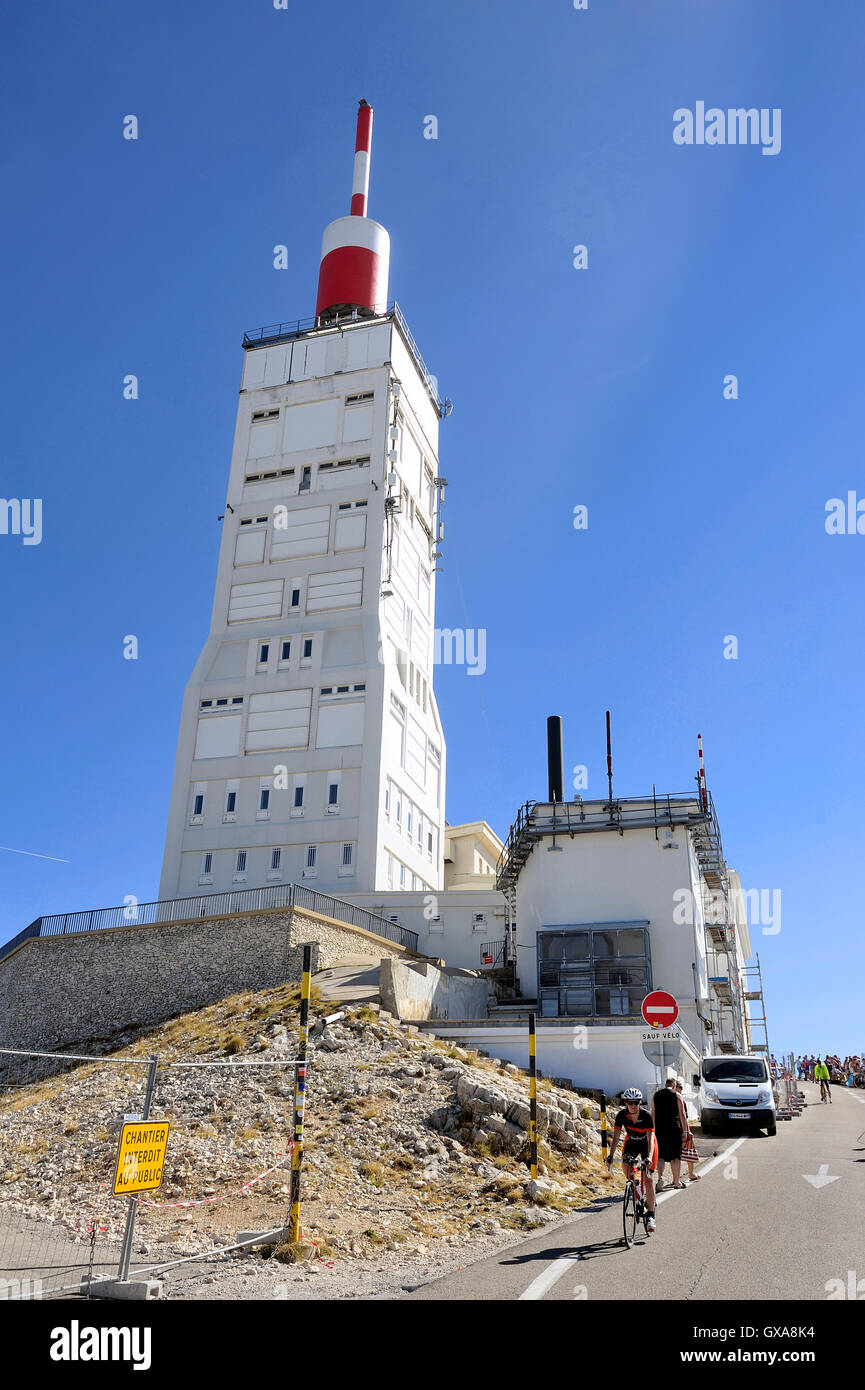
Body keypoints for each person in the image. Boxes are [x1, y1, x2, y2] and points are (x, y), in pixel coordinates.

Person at [606, 1087, 657, 1234]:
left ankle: (651, 1216)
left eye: (636, 1102)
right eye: (630, 1102)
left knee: (649, 1178)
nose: (633, 1105)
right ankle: (633, 1186)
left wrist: (648, 1157)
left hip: (647, 1144)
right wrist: (610, 1155)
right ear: (626, 1102)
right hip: (632, 1142)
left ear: (640, 1102)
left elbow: (651, 1139)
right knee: (625, 1163)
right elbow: (616, 1137)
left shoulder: (646, 1116)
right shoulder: (621, 1115)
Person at [653, 1077, 685, 1191]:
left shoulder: (656, 1095)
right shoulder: (677, 1095)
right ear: (674, 1085)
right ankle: (676, 1182)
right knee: (676, 1156)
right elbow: (682, 1114)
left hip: (660, 1129)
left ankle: (660, 1177)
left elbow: (653, 1113)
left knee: (660, 1156)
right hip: (674, 1129)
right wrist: (685, 1130)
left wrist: (653, 1131)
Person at [675, 1079, 701, 1181]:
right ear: (675, 1087)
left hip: (671, 1129)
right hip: (682, 1128)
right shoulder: (680, 1098)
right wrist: (686, 1130)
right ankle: (691, 1173)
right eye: (680, 1087)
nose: (681, 1089)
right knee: (689, 1150)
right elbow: (684, 1115)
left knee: (676, 1154)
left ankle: (675, 1179)